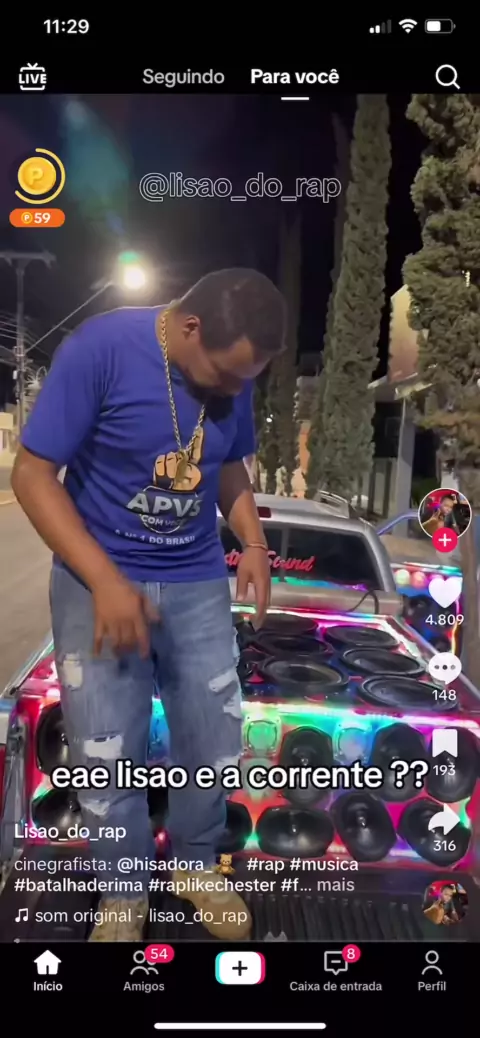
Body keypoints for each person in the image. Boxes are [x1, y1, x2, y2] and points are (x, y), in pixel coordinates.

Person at [12, 268, 286, 942]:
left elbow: (227, 465)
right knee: (106, 746)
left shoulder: (233, 371)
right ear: (191, 327)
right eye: (227, 376)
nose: (234, 391)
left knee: (213, 737)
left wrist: (252, 541)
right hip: (96, 580)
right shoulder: (98, 351)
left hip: (196, 579)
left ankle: (195, 866)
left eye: (245, 381)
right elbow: (32, 475)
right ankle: (124, 891)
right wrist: (106, 581)